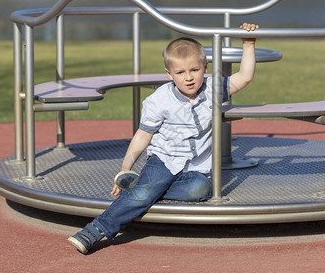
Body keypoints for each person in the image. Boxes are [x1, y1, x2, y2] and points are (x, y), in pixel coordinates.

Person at [68, 23, 259, 254]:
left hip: (197, 166)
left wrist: (248, 44)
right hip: (165, 159)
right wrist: (125, 167)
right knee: (143, 193)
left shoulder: (212, 89)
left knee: (200, 191)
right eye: (180, 73)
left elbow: (245, 77)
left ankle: (145, 190)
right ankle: (95, 230)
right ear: (169, 75)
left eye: (194, 70)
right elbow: (142, 136)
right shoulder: (158, 101)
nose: (189, 78)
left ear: (205, 68)